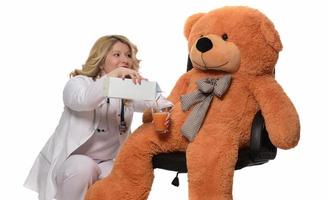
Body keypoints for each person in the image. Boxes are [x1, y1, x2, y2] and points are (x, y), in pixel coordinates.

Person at [24, 35, 172, 200]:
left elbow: (162, 103)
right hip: (71, 163)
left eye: (128, 55)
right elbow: (85, 99)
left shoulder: (127, 92)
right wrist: (114, 76)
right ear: (101, 61)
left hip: (106, 162)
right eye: (117, 55)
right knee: (84, 167)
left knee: (129, 174)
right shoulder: (78, 84)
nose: (125, 60)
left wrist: (157, 98)